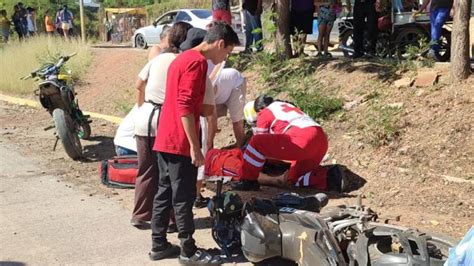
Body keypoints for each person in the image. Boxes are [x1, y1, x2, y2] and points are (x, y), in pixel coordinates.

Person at [150, 22, 239, 264]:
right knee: (184, 196)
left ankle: (158, 244)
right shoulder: (197, 63)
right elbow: (184, 105)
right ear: (220, 44)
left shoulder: (179, 58)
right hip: (179, 141)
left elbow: (185, 101)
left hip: (164, 137)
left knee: (164, 192)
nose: (224, 58)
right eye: (227, 52)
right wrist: (194, 146)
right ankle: (188, 250)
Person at [132, 22, 192, 229]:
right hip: (166, 123)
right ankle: (171, 220)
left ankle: (140, 215)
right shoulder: (183, 62)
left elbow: (139, 84)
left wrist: (142, 106)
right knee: (170, 175)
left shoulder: (157, 60)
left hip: (144, 120)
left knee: (146, 170)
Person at [232, 95, 346, 192]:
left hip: (302, 139)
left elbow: (260, 144)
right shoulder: (287, 107)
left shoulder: (264, 113)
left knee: (256, 142)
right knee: (293, 179)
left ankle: (248, 181)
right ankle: (330, 177)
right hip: (320, 139)